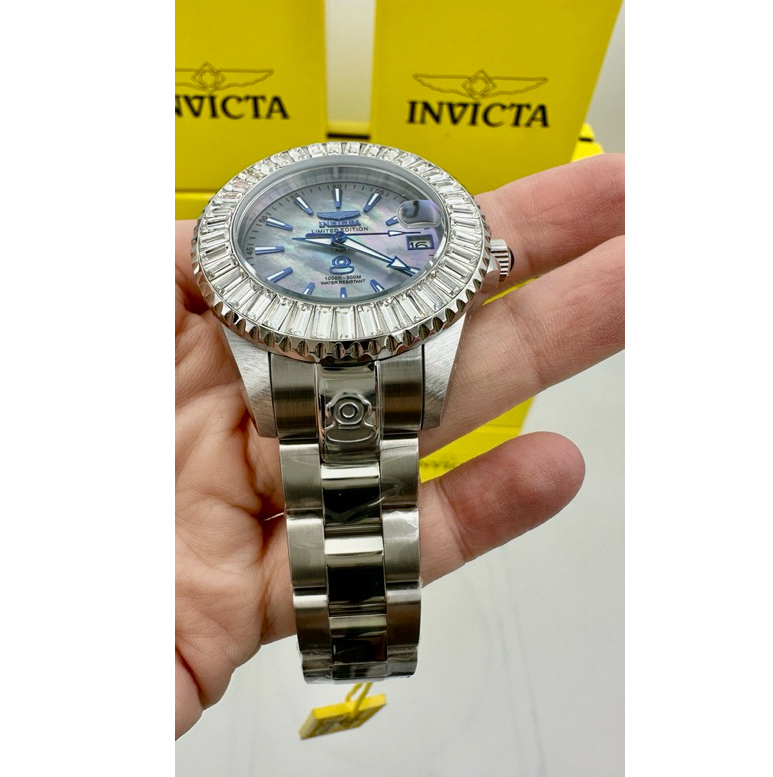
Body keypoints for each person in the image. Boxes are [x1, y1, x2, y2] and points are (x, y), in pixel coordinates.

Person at [175, 153, 625, 739]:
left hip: (391, 352)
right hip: (288, 356)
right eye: (326, 236)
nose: (339, 242)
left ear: (486, 261)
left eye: (351, 236)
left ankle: (359, 651)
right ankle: (352, 652)